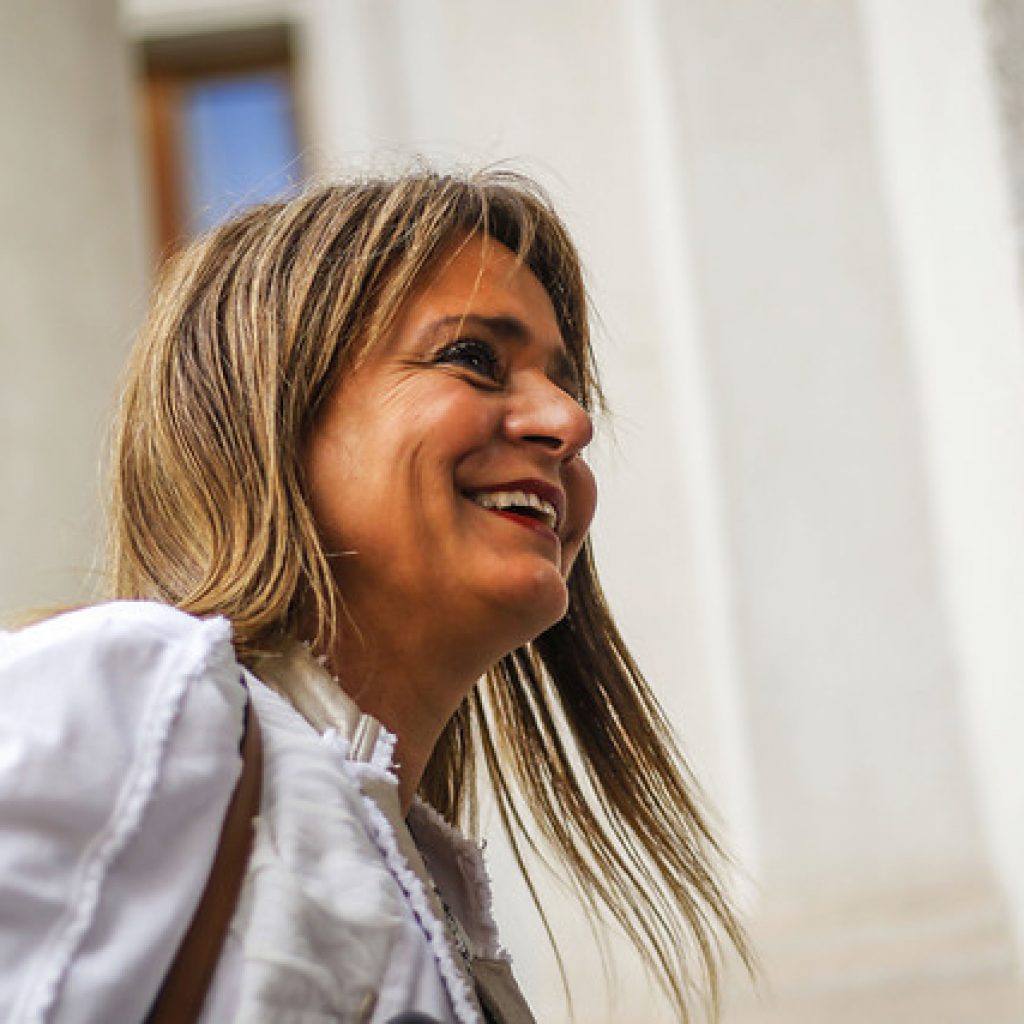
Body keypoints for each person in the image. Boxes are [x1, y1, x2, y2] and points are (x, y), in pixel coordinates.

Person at [0, 170, 751, 1022]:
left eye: (566, 385)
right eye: (473, 358)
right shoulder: (138, 698)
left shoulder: (429, 886)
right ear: (275, 413)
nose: (570, 423)